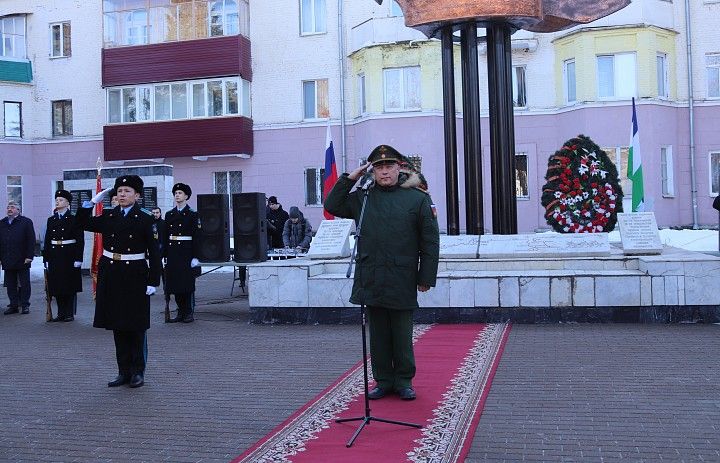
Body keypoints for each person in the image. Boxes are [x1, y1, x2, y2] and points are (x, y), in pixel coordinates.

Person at [324, 144, 440, 401]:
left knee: (401, 333)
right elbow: (332, 205)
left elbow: (430, 242)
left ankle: (404, 381)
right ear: (372, 171)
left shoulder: (417, 199)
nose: (384, 172)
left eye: (389, 166)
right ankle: (383, 380)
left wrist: (426, 277)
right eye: (379, 167)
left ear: (400, 168)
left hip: (402, 276)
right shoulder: (363, 199)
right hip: (372, 276)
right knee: (377, 334)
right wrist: (350, 178)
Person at [76, 175, 161, 388]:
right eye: (119, 191)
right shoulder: (110, 215)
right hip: (112, 274)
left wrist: (153, 281)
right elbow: (81, 223)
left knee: (135, 325)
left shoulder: (145, 218)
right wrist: (93, 202)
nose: (122, 194)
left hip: (135, 275)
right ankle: (123, 371)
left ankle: (137, 372)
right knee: (117, 325)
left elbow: (155, 253)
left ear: (137, 196)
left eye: (127, 191)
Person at [42, 190, 84, 322]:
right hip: (55, 255)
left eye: (60, 199)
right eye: (57, 199)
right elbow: (48, 240)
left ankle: (69, 313)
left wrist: (78, 258)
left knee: (69, 284)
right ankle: (60, 313)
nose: (57, 201)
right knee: (57, 285)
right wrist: (46, 258)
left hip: (69, 255)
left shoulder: (73, 219)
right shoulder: (51, 219)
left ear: (67, 203)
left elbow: (79, 240)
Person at [163, 183, 201, 323]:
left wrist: (196, 256)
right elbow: (165, 236)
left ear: (186, 196)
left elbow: (197, 236)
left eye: (180, 193)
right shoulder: (169, 214)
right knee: (174, 284)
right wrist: (164, 255)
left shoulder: (192, 214)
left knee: (186, 284)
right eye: (176, 193)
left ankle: (188, 312)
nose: (177, 195)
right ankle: (180, 311)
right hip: (173, 253)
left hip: (186, 252)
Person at [0, 201, 36, 315]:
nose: (9, 209)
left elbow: (31, 240)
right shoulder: (2, 223)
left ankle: (25, 305)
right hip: (7, 257)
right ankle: (13, 305)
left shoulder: (26, 222)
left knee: (24, 283)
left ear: (18, 210)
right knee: (10, 284)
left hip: (22, 258)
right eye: (8, 207)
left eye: (12, 207)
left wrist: (29, 256)